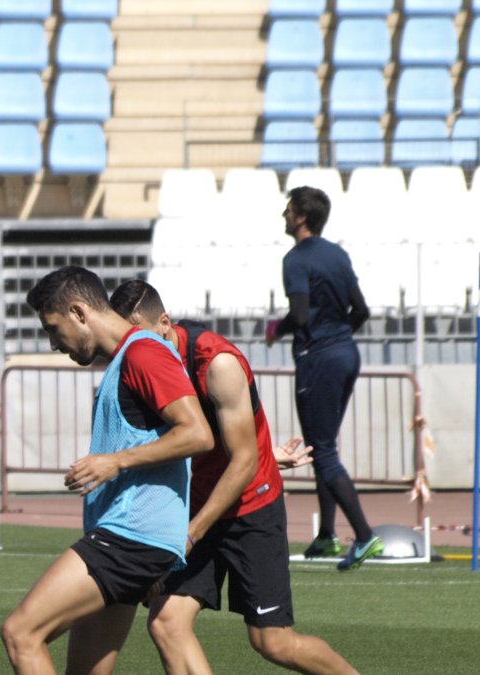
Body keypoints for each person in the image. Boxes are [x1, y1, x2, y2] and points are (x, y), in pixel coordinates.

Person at [107, 279, 357, 675]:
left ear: (165, 323)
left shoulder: (216, 362)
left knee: (272, 641)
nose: (132, 349)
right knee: (166, 624)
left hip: (249, 506)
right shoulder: (141, 367)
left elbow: (242, 461)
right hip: (196, 507)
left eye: (139, 337)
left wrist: (188, 535)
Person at [0, 266, 214, 675]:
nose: (52, 343)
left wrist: (114, 462)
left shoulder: (144, 352)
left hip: (131, 538)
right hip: (130, 540)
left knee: (20, 633)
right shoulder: (125, 360)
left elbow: (198, 434)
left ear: (79, 313)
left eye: (53, 328)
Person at [267, 186, 383, 571]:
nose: (284, 215)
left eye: (288, 209)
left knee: (323, 449)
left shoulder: (295, 260)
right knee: (324, 445)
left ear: (301, 217)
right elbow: (362, 310)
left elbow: (299, 316)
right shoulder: (338, 254)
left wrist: (276, 329)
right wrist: (337, 336)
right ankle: (326, 536)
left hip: (318, 359)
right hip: (348, 353)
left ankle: (364, 536)